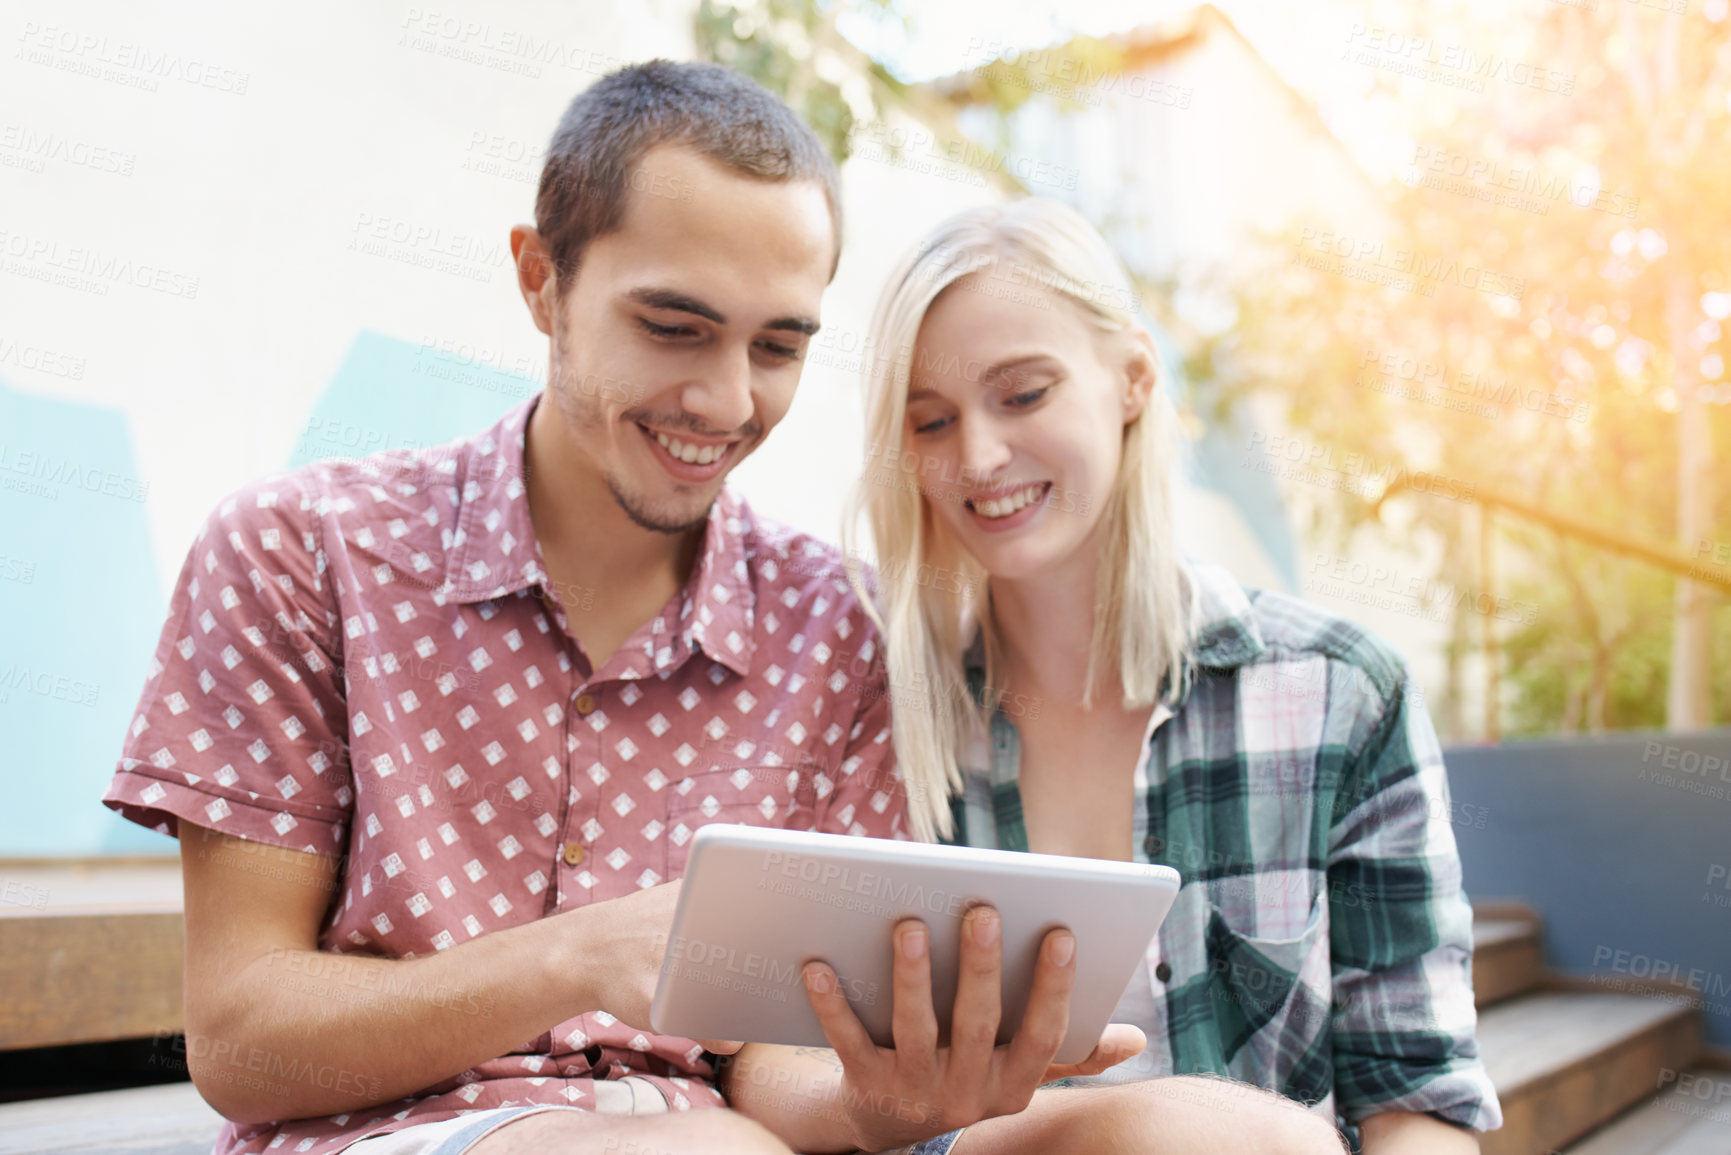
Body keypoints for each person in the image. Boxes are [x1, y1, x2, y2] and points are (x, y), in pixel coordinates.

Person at [99, 62, 1134, 1155]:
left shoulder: (841, 626)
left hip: (730, 1137)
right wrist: (579, 957)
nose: (729, 402)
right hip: (395, 1135)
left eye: (778, 346)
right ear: (541, 281)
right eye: (675, 326)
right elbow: (241, 1046)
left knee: (1217, 1133)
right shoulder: (302, 553)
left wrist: (889, 1102)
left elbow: (775, 1064)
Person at [841, 197, 1505, 1153]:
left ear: (1132, 380)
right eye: (931, 422)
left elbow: (1418, 1101)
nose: (978, 456)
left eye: (1022, 395)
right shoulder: (891, 720)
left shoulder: (1340, 694)